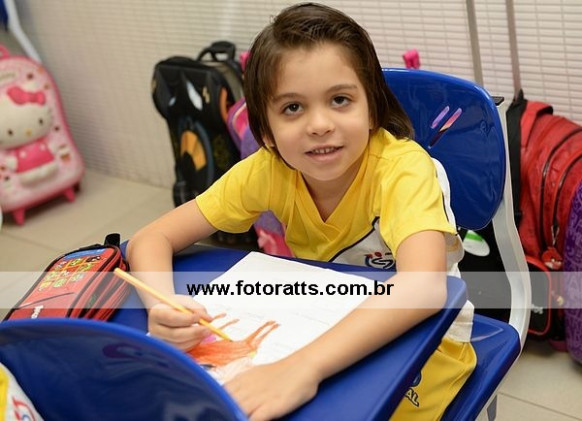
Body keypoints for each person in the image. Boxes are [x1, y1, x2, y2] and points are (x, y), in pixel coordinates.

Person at [126, 3, 476, 420]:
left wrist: (303, 367)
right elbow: (151, 238)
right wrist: (165, 305)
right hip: (323, 320)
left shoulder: (403, 169)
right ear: (265, 131)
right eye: (292, 108)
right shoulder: (267, 170)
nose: (319, 125)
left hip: (431, 338)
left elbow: (424, 288)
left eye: (340, 100)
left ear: (372, 108)